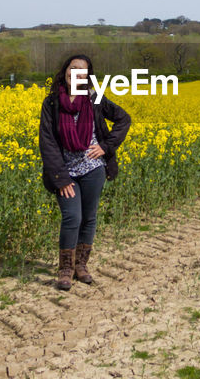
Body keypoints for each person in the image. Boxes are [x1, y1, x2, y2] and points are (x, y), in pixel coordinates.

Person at [37, 54, 132, 290]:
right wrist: (60, 178)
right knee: (72, 217)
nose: (76, 73)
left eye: (82, 70)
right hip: (65, 171)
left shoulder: (94, 98)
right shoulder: (51, 103)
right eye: (72, 68)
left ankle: (81, 266)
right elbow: (47, 142)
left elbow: (124, 119)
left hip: (92, 168)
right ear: (65, 70)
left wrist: (105, 147)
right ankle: (65, 269)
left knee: (89, 218)